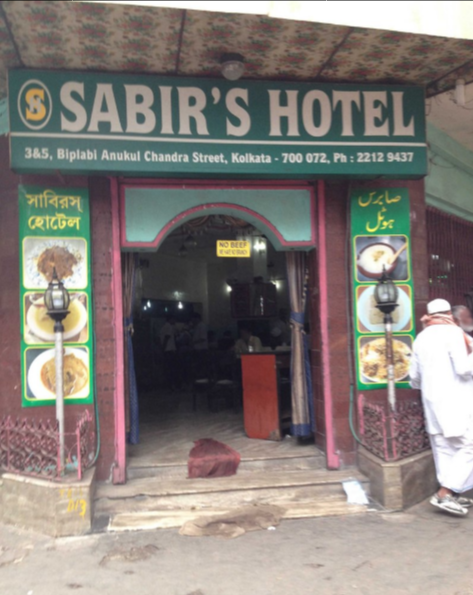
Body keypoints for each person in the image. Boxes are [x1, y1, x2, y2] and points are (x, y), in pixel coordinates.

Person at [409, 298, 473, 516]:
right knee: (469, 446)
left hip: (432, 403)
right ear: (450, 315)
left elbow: (413, 379)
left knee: (445, 449)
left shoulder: (420, 338)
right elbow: (464, 369)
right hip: (456, 401)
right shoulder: (453, 334)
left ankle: (450, 495)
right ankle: (445, 493)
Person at [160, 315, 178, 391]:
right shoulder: (169, 327)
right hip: (169, 350)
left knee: (167, 369)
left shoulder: (164, 327)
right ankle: (171, 386)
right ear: (171, 319)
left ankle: (168, 386)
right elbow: (167, 337)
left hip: (166, 350)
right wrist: (163, 348)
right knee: (171, 369)